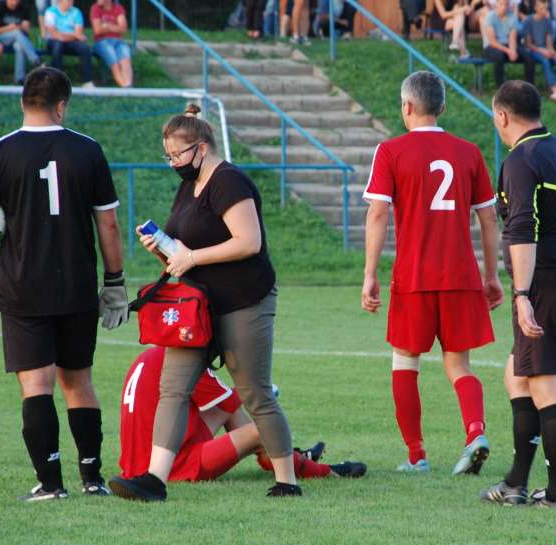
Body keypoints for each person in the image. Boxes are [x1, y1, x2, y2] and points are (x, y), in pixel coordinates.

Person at [0, 66, 128, 501]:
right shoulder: (88, 150)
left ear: (22, 103)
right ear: (62, 105)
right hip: (76, 289)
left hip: (24, 290)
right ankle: (93, 479)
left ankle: (51, 485)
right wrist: (115, 283)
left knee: (37, 387)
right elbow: (108, 225)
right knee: (79, 382)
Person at [108, 103, 300, 501]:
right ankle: (154, 481)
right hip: (198, 307)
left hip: (244, 302)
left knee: (255, 393)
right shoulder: (188, 185)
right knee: (173, 389)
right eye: (168, 156)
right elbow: (188, 248)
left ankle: (288, 481)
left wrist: (191, 257)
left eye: (177, 155)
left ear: (202, 147)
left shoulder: (229, 181)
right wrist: (164, 250)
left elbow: (249, 242)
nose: (173, 163)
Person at [362, 71, 504, 476]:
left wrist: (370, 273)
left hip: (413, 277)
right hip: (461, 275)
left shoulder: (390, 151)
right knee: (459, 365)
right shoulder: (468, 152)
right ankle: (475, 432)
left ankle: (416, 455)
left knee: (405, 363)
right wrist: (491, 276)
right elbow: (489, 219)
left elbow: (378, 212)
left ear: (406, 107)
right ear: (443, 107)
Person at [480, 80, 556, 509]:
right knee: (517, 375)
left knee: (548, 386)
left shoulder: (521, 160)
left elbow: (522, 228)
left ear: (502, 116)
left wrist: (523, 293)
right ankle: (515, 483)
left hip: (544, 286)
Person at [117, 347, 368, 484]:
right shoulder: (183, 362)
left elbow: (226, 403)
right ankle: (323, 470)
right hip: (173, 466)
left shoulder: (153, 355)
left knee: (227, 408)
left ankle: (278, 456)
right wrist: (260, 390)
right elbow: (236, 398)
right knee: (262, 430)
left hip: (140, 461)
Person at [523, 0, 556, 101]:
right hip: (534, 50)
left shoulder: (547, 21)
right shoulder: (528, 21)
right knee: (545, 61)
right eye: (541, 8)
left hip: (545, 49)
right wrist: (542, 51)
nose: (544, 11)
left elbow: (549, 40)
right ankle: (553, 89)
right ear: (535, 8)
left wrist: (552, 51)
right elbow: (528, 44)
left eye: (546, 8)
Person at [0, 0, 42, 85]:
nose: (15, 2)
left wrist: (18, 27)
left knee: (19, 46)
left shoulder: (24, 8)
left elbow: (27, 30)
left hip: (19, 39)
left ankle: (19, 79)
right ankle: (35, 60)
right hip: (0, 38)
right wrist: (9, 28)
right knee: (16, 33)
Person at [483, 0, 536, 86]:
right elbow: (492, 41)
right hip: (492, 46)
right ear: (496, 4)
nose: (504, 7)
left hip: (508, 45)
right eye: (501, 4)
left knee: (528, 56)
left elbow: (512, 36)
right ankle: (500, 88)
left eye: (506, 4)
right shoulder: (490, 17)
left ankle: (529, 87)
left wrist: (513, 50)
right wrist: (508, 51)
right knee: (499, 56)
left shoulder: (512, 16)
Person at [44, 0, 94, 88]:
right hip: (54, 42)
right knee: (58, 46)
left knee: (85, 48)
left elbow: (79, 32)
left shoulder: (76, 12)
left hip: (70, 42)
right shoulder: (50, 12)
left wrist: (63, 35)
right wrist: (74, 34)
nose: (71, 1)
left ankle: (87, 81)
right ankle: (58, 81)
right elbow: (54, 34)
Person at [90, 0, 132, 87]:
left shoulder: (118, 8)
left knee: (125, 59)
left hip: (117, 41)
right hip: (102, 41)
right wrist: (116, 27)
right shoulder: (95, 8)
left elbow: (123, 29)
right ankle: (124, 86)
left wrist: (107, 26)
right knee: (113, 59)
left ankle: (128, 85)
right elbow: (97, 30)